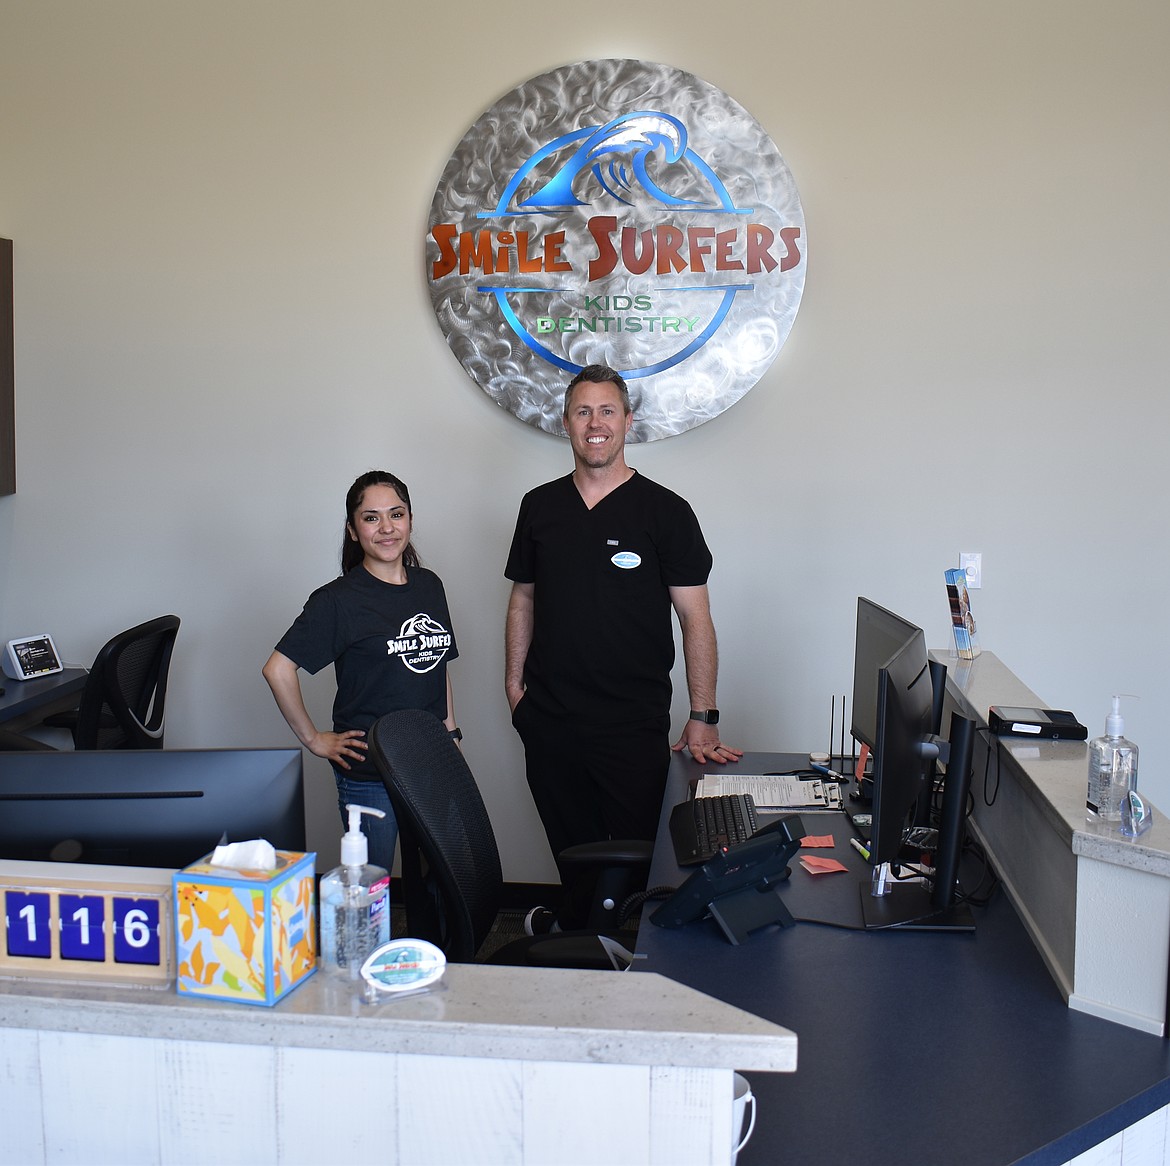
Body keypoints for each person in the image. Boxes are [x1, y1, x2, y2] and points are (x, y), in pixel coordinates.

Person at [505, 364, 741, 926]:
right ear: (565, 422)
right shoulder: (539, 507)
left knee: (639, 859)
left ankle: (619, 957)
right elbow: (523, 602)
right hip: (550, 720)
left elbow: (695, 618)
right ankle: (582, 947)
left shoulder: (665, 512)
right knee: (572, 852)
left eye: (607, 411)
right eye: (583, 411)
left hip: (631, 725)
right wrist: (514, 688)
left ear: (627, 421)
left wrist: (703, 714)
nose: (595, 424)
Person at [263, 470, 459, 872]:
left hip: (429, 762)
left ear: (409, 520)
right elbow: (278, 669)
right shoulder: (338, 601)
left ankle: (427, 941)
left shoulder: (429, 586)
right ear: (353, 530)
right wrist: (316, 739)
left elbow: (438, 667)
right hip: (371, 772)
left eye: (396, 514)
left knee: (443, 882)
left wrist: (451, 734)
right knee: (371, 889)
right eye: (371, 518)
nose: (387, 528)